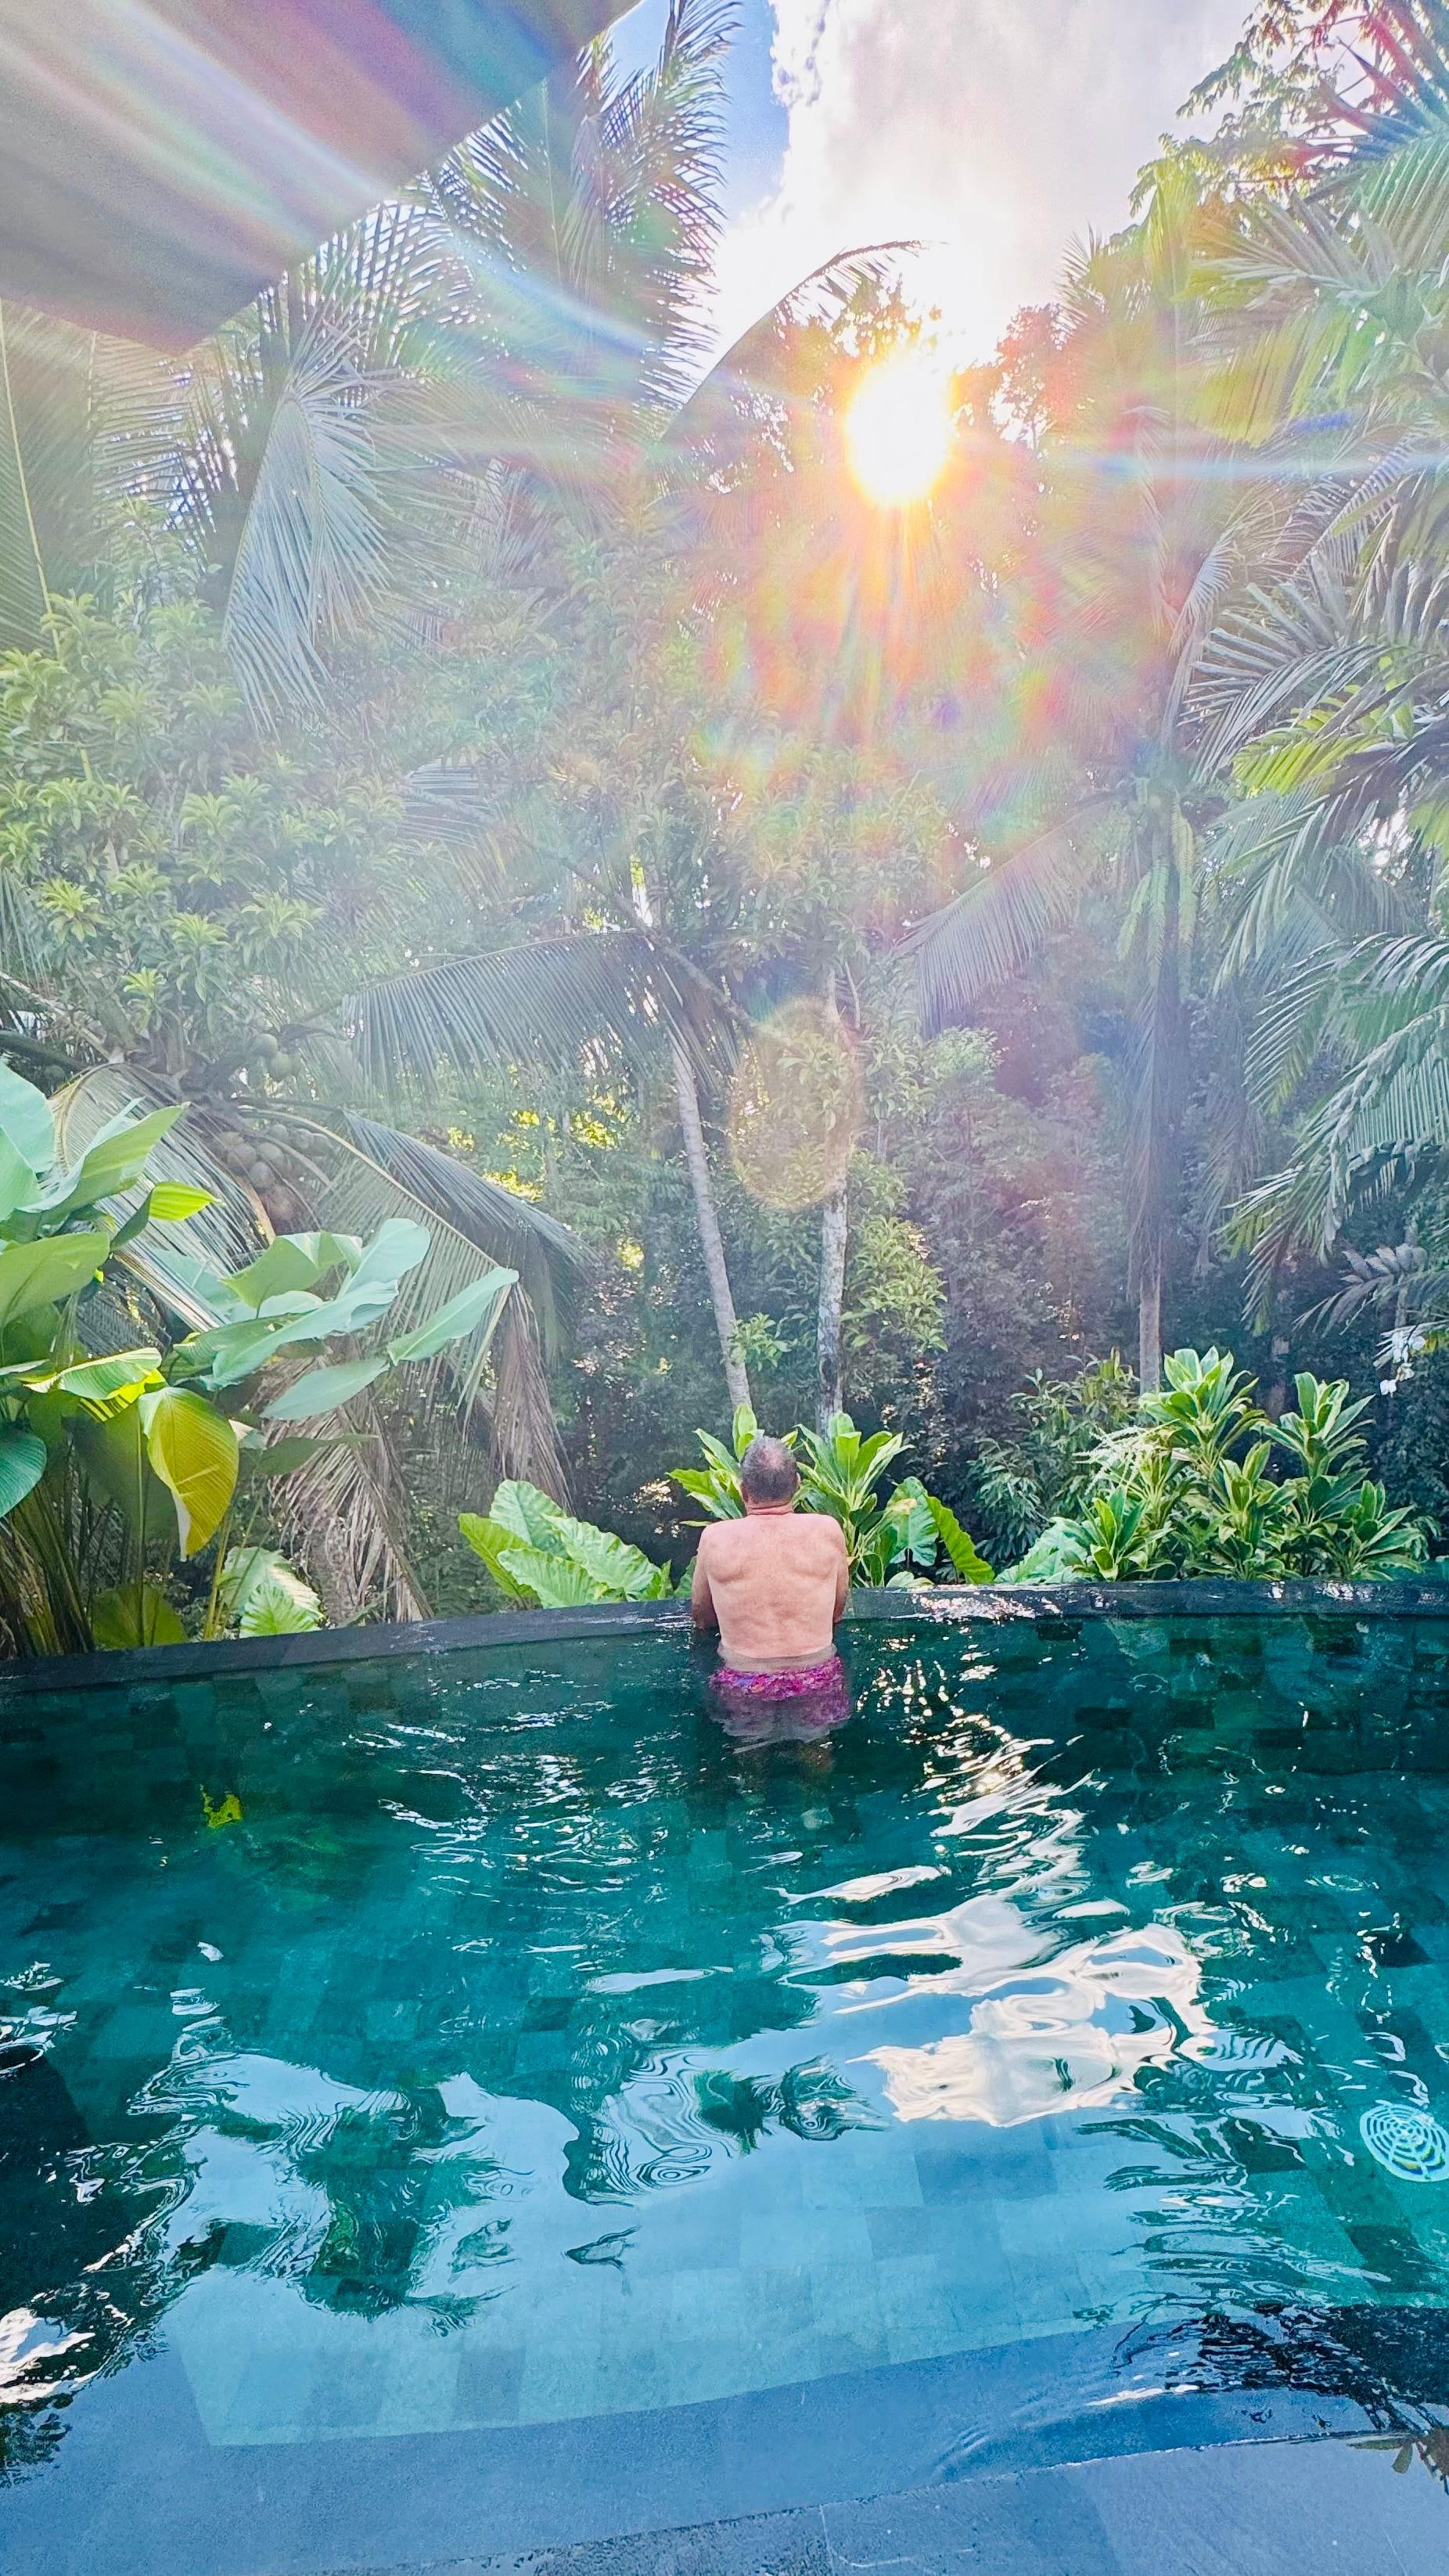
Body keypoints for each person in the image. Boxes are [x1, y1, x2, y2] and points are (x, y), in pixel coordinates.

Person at [691, 1434, 850, 1735]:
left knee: (751, 1752)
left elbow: (702, 1618)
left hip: (745, 1678)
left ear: (743, 1490)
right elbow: (837, 1612)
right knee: (816, 1751)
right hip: (816, 1675)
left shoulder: (714, 1538)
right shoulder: (828, 1530)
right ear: (797, 1484)